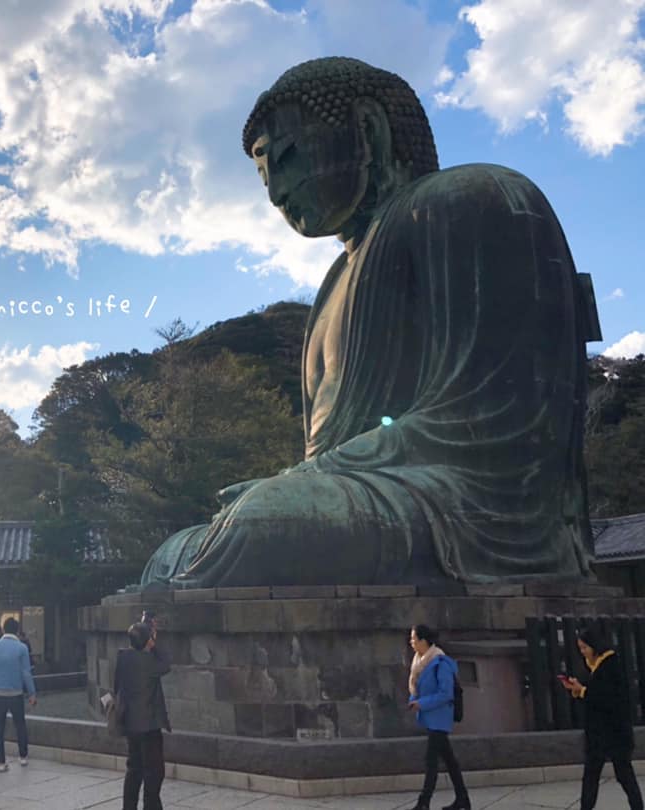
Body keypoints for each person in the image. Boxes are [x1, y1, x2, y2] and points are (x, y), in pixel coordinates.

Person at [140, 56, 598, 589]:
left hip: (468, 504)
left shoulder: (473, 200)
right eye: (265, 176)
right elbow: (330, 457)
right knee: (177, 550)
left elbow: (498, 424)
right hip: (370, 496)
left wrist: (308, 480)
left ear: (368, 131)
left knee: (262, 525)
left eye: (287, 158)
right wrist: (308, 478)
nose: (276, 193)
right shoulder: (335, 282)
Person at [561, 626, 644, 810]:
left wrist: (582, 691)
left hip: (613, 731)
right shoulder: (595, 666)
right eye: (580, 648)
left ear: (594, 645)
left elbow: (605, 698)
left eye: (585, 648)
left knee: (622, 774)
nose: (583, 652)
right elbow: (594, 695)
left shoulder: (609, 664)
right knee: (592, 775)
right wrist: (578, 690)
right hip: (600, 732)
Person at [407, 625, 469, 810]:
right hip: (431, 717)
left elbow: (445, 694)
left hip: (440, 718)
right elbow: (418, 688)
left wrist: (422, 703)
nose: (411, 642)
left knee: (431, 761)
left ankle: (423, 802)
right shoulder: (420, 662)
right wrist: (414, 701)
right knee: (449, 761)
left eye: (414, 639)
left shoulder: (440, 663)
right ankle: (463, 799)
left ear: (424, 641)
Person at [114, 621, 171, 810]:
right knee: (154, 773)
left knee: (134, 770)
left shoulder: (123, 658)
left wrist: (145, 633)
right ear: (147, 641)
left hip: (131, 723)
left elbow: (116, 687)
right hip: (149, 725)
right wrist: (154, 643)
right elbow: (166, 664)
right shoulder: (149, 662)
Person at [0, 617, 36, 773]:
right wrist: (32, 693)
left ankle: (1, 762)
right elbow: (26, 673)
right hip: (15, 692)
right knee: (20, 724)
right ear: (18, 630)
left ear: (4, 630)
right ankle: (23, 756)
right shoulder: (22, 648)